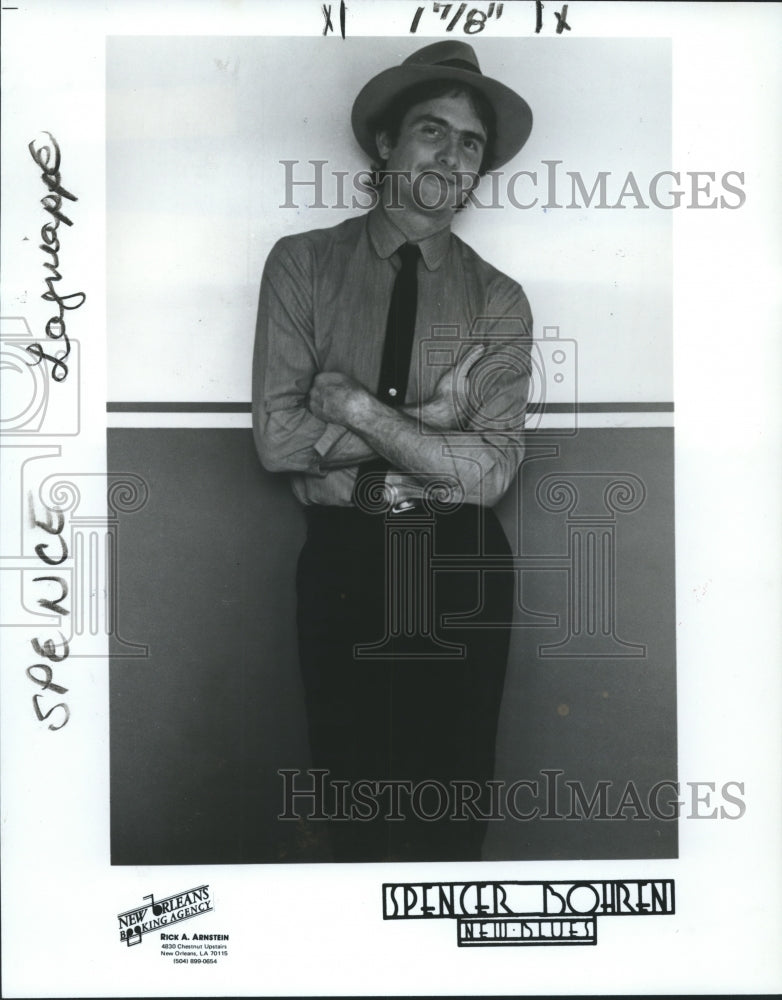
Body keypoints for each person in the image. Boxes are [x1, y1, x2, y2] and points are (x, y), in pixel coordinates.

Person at [253, 41, 533, 862]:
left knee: (450, 804)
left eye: (470, 142)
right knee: (353, 790)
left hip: (460, 567)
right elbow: (277, 442)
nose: (451, 155)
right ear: (385, 144)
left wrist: (354, 412)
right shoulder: (303, 264)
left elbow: (489, 475)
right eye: (431, 131)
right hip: (346, 566)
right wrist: (435, 427)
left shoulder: (499, 300)